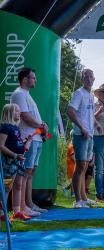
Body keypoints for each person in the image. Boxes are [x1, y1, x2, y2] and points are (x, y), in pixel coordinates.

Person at [10, 67, 48, 216]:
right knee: (24, 172)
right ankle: (21, 207)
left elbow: (31, 115)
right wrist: (40, 126)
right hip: (27, 138)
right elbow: (24, 115)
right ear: (25, 79)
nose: (35, 80)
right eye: (33, 77)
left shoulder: (26, 94)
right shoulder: (19, 94)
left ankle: (29, 204)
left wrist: (42, 126)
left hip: (36, 138)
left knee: (30, 172)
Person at [67, 68, 97, 208]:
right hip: (81, 134)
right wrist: (82, 127)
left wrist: (96, 124)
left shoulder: (90, 95)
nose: (89, 79)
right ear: (82, 79)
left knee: (85, 166)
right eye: (86, 76)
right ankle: (77, 200)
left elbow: (89, 114)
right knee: (79, 166)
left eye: (91, 76)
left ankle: (84, 198)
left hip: (90, 135)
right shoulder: (79, 93)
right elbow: (70, 111)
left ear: (94, 79)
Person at [0, 104, 32, 220]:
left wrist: (27, 141)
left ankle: (17, 211)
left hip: (18, 161)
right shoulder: (5, 127)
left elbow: (20, 146)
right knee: (7, 186)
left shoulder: (15, 128)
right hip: (9, 162)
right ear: (9, 113)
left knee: (18, 185)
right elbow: (1, 146)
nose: (19, 113)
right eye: (17, 111)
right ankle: (2, 213)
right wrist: (14, 155)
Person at [64, 130, 75, 197]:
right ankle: (73, 193)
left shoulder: (72, 143)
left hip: (71, 164)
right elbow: (72, 156)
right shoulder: (72, 145)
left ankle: (66, 188)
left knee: (74, 179)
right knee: (73, 179)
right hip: (71, 164)